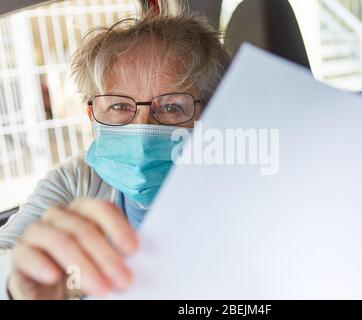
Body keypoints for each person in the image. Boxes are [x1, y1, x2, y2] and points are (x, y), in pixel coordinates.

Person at [0, 8, 229, 299]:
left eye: (171, 107)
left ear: (209, 115)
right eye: (119, 106)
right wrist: (17, 285)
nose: (143, 128)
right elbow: (7, 255)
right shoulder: (76, 181)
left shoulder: (242, 190)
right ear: (92, 117)